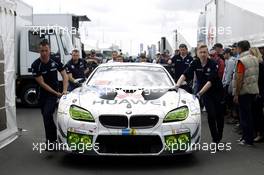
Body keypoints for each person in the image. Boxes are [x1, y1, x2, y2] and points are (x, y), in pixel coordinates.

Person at [176, 44, 224, 144]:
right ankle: (215, 139)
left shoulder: (213, 63)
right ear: (197, 53)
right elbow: (185, 74)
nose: (203, 54)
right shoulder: (195, 62)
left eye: (204, 52)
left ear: (207, 53)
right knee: (211, 114)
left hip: (217, 91)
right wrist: (176, 86)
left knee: (219, 115)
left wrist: (199, 93)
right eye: (201, 52)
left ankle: (219, 135)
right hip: (205, 92)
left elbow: (210, 81)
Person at [31, 39, 68, 148]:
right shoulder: (35, 65)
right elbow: (42, 84)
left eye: (46, 50)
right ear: (39, 51)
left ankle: (51, 142)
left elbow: (65, 75)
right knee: (46, 117)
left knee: (47, 114)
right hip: (43, 93)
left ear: (49, 50)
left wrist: (64, 90)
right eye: (42, 51)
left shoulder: (55, 60)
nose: (44, 53)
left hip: (53, 95)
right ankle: (53, 139)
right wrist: (56, 93)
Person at [233, 40, 259, 146]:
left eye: (237, 48)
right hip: (253, 90)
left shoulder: (241, 60)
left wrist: (236, 93)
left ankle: (247, 139)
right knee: (250, 115)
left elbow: (239, 78)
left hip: (244, 92)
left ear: (240, 48)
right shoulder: (255, 59)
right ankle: (247, 137)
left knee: (244, 117)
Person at [249, 47, 264, 142]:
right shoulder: (256, 64)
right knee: (255, 113)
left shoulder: (260, 64)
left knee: (258, 114)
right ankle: (257, 133)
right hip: (256, 91)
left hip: (259, 92)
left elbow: (260, 80)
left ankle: (259, 134)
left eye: (250, 54)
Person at [222, 48, 237, 124]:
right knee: (229, 101)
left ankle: (232, 116)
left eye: (224, 54)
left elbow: (229, 73)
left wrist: (225, 83)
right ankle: (231, 115)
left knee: (230, 100)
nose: (223, 55)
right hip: (227, 83)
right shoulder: (228, 60)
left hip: (229, 83)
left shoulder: (231, 61)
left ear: (228, 53)